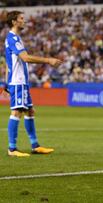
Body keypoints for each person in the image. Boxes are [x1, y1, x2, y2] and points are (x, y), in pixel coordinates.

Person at [4, 11, 63, 157]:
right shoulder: (13, 38)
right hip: (18, 82)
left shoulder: (16, 38)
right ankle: (12, 149)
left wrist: (6, 82)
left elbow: (8, 62)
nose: (24, 21)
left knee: (30, 111)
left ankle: (35, 146)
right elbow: (25, 58)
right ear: (14, 22)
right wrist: (48, 60)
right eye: (21, 19)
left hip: (20, 82)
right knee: (17, 112)